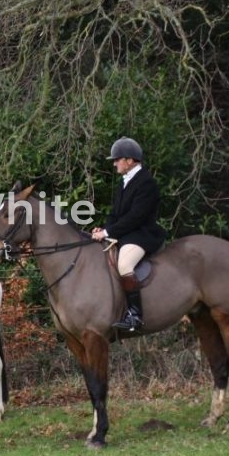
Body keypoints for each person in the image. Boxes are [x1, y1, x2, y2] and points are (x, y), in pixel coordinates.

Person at [91, 137, 167, 332]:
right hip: (125, 234)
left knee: (124, 264)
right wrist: (104, 230)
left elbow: (136, 217)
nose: (115, 163)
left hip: (141, 234)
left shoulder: (146, 183)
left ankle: (135, 315)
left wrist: (110, 231)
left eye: (117, 159)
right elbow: (115, 213)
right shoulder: (124, 182)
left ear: (130, 161)